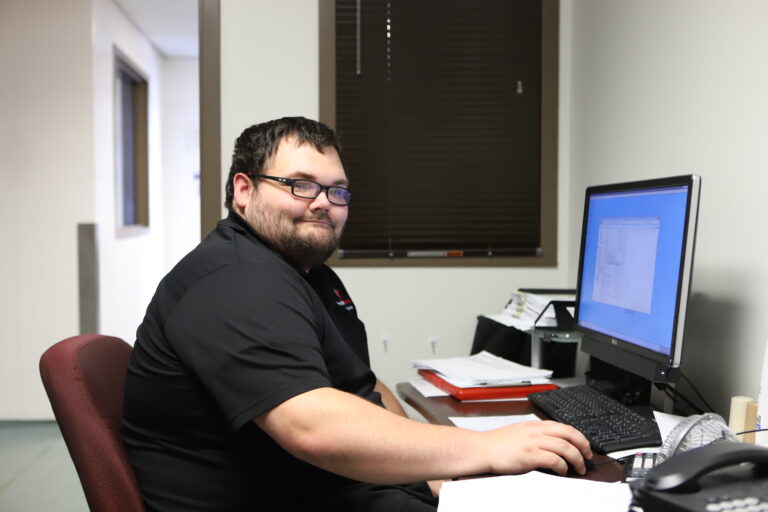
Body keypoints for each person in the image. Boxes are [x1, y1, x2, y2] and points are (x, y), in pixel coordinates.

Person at [122, 116, 592, 511]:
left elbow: (358, 386)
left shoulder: (306, 275)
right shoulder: (235, 280)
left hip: (326, 485)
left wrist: (432, 468)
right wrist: (485, 448)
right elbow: (313, 426)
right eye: (300, 185)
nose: (324, 203)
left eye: (338, 191)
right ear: (243, 190)